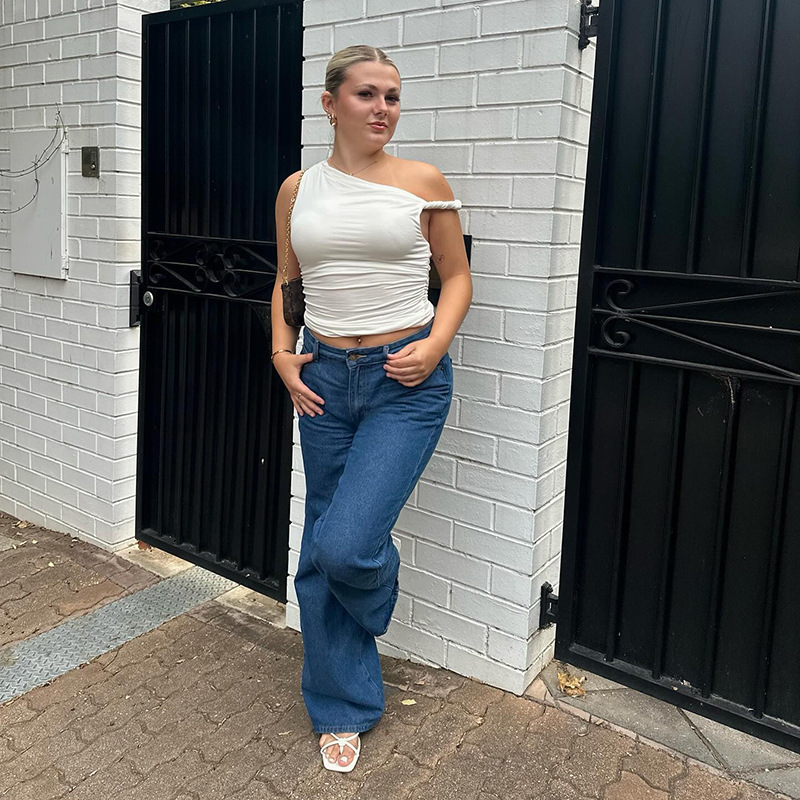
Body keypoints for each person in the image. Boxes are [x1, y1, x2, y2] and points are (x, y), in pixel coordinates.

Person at [271, 44, 472, 772]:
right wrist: (281, 352)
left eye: (392, 95)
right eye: (367, 94)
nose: (383, 107)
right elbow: (287, 280)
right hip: (322, 379)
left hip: (403, 383)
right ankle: (342, 706)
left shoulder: (422, 182)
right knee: (320, 548)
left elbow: (456, 276)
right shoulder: (298, 189)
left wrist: (436, 344)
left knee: (343, 546)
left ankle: (368, 582)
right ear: (331, 104)